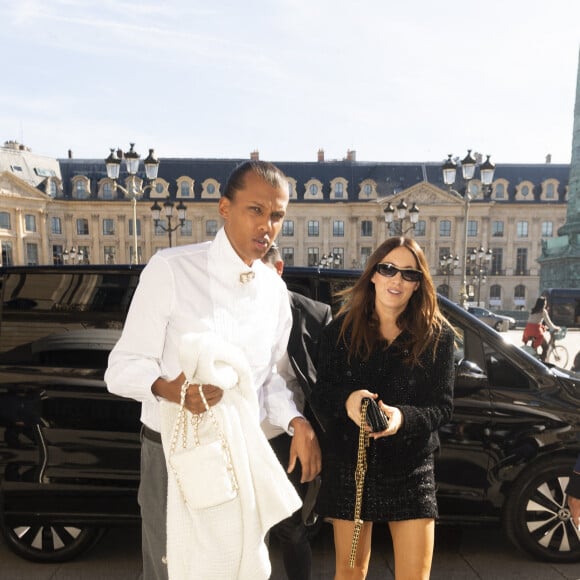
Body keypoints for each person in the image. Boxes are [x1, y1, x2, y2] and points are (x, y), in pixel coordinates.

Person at [105, 160, 321, 580]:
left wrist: (296, 421)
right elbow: (122, 367)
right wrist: (170, 389)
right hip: (173, 451)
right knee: (171, 570)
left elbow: (271, 378)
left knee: (237, 569)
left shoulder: (275, 292)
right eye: (255, 210)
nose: (267, 226)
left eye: (277, 215)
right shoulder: (170, 269)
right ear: (225, 207)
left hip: (240, 452)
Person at [311, 236, 455, 580]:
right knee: (350, 573)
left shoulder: (437, 337)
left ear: (418, 284)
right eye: (388, 268)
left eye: (408, 273)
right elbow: (320, 394)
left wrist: (401, 418)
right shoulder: (340, 332)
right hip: (353, 468)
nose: (397, 279)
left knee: (414, 577)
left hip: (411, 469)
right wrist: (349, 400)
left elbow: (442, 407)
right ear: (373, 274)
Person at [261, 244, 332, 580]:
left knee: (291, 528)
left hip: (288, 437)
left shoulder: (314, 316)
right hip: (238, 435)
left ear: (277, 270)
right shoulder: (225, 311)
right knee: (242, 529)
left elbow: (324, 385)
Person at [522, 296, 560, 362]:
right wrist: (556, 328)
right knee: (546, 347)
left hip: (528, 330)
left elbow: (533, 321)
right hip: (536, 331)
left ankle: (534, 358)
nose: (545, 304)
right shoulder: (543, 311)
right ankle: (542, 362)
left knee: (534, 346)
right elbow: (549, 323)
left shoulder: (532, 310)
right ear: (543, 304)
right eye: (545, 303)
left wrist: (542, 326)